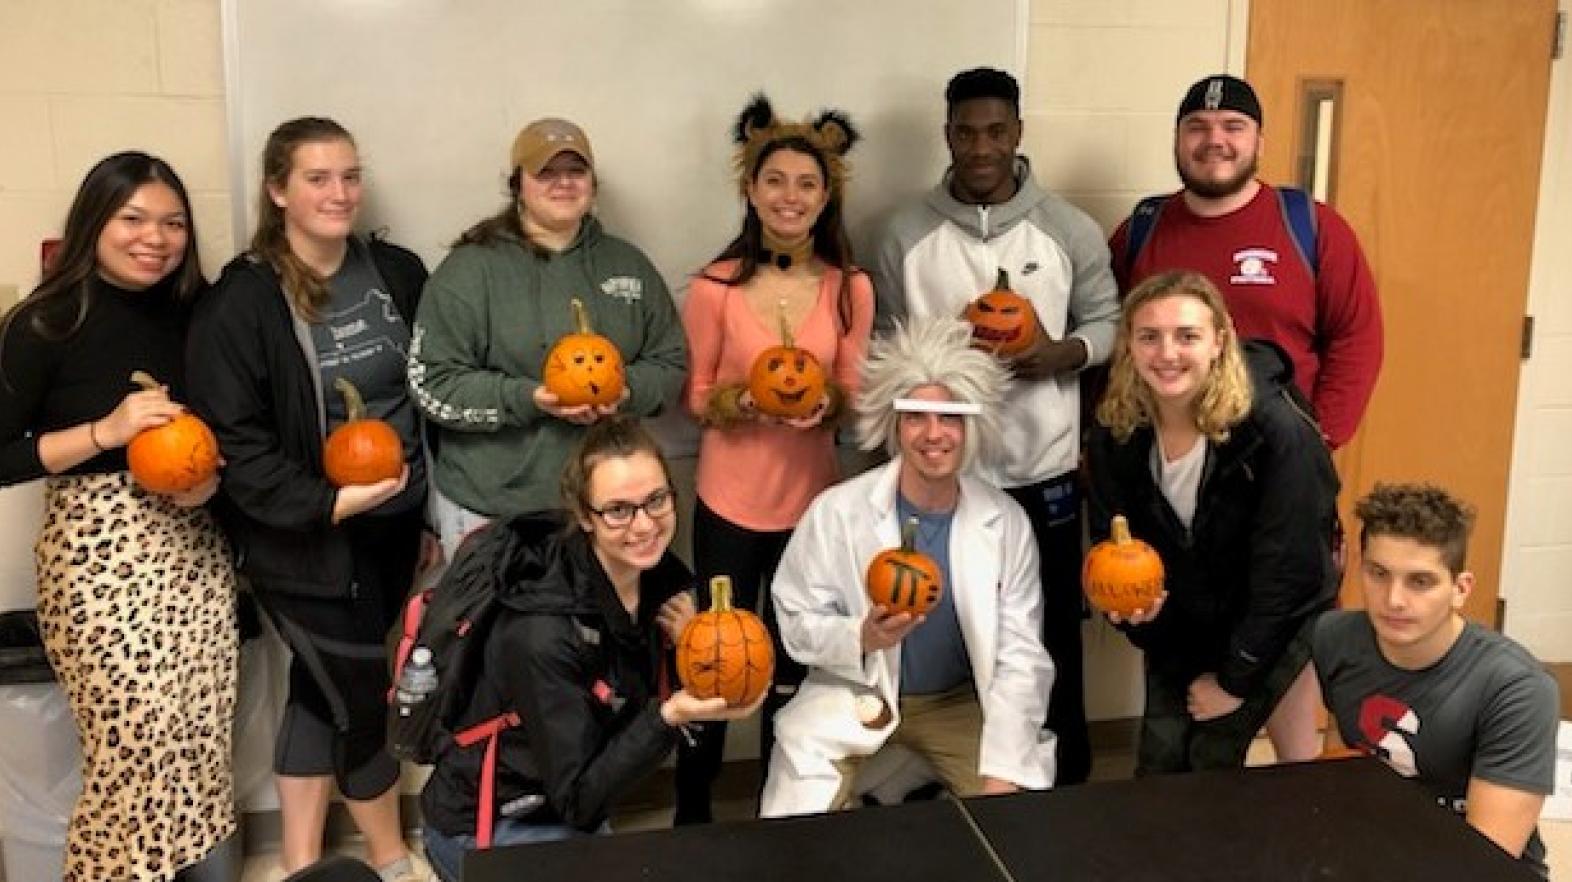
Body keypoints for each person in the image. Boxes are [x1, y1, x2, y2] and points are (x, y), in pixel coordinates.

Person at [1107, 73, 1384, 767]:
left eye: (1232, 127)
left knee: (1288, 625)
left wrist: (1318, 443)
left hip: (1274, 464)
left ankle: (1298, 787)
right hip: (1177, 464)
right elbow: (1112, 338)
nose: (1214, 141)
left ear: (1259, 140)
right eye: (1197, 128)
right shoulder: (1142, 230)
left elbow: (1358, 337)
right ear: (1178, 139)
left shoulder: (1310, 227)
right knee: (1182, 612)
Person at [186, 118, 433, 881]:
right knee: (359, 694)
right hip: (303, 540)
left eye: (350, 175)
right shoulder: (244, 301)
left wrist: (421, 511)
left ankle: (300, 863)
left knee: (319, 689)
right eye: (318, 178)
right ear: (277, 189)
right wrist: (328, 505)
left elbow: (427, 396)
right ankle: (390, 855)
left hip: (396, 527)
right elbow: (238, 446)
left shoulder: (396, 271)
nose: (339, 193)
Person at [870, 66, 1118, 785]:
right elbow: (882, 348)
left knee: (1047, 643)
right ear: (947, 135)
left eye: (996, 130)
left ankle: (1064, 779)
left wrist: (1058, 353)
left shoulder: (1069, 228)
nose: (981, 146)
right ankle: (965, 781)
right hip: (945, 479)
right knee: (948, 632)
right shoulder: (903, 234)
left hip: (1042, 475)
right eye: (966, 132)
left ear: (1018, 132)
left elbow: (1109, 320)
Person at [0, 152, 239, 881]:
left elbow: (225, 429)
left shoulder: (198, 315)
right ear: (93, 223)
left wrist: (206, 489)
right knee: (133, 741)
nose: (155, 238)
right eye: (132, 219)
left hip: (192, 546)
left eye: (172, 223)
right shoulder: (44, 320)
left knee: (197, 735)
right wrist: (105, 433)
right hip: (95, 550)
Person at [419, 417, 761, 880]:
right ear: (584, 517)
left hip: (564, 798)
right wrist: (669, 716)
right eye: (618, 510)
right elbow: (579, 798)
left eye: (656, 501)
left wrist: (691, 651)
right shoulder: (541, 632)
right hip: (494, 824)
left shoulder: (662, 584)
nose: (643, 525)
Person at [760, 316, 1056, 817]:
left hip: (958, 705)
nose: (933, 434)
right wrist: (861, 637)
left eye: (950, 419)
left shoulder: (1004, 522)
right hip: (856, 694)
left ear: (971, 427)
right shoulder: (837, 511)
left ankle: (920, 783)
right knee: (795, 831)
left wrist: (1003, 770)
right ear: (894, 426)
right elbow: (794, 620)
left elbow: (1020, 656)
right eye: (916, 417)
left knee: (1017, 828)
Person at [673, 94, 875, 823]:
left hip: (813, 508)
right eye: (776, 181)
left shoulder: (851, 288)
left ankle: (778, 811)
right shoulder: (714, 287)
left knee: (794, 669)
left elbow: (854, 390)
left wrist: (832, 405)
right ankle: (693, 811)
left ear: (827, 199)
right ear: (750, 191)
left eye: (807, 184)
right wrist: (740, 403)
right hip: (729, 502)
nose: (790, 196)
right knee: (714, 658)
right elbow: (693, 394)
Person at [1085, 270, 1339, 776]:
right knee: (1161, 764)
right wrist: (1134, 614)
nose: (1167, 353)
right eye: (1149, 336)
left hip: (1273, 615)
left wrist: (1234, 681)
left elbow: (1288, 571)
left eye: (1187, 336)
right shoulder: (1117, 430)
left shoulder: (1277, 433)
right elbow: (1111, 539)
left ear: (1220, 341)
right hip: (1182, 614)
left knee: (1210, 761)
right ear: (1129, 346)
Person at [408, 117, 686, 555]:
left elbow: (671, 364)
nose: (564, 183)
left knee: (601, 625)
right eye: (546, 173)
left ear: (593, 183)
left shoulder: (628, 265)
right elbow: (433, 383)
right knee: (497, 627)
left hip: (609, 513)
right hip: (494, 510)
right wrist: (529, 397)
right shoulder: (469, 271)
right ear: (518, 184)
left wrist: (623, 390)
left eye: (575, 171)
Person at [1314, 483, 1558, 877]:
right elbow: (1340, 768)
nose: (1394, 599)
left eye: (1420, 582)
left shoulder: (1517, 689)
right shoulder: (1334, 637)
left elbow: (1482, 864)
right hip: (1378, 849)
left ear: (1460, 589)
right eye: (1379, 574)